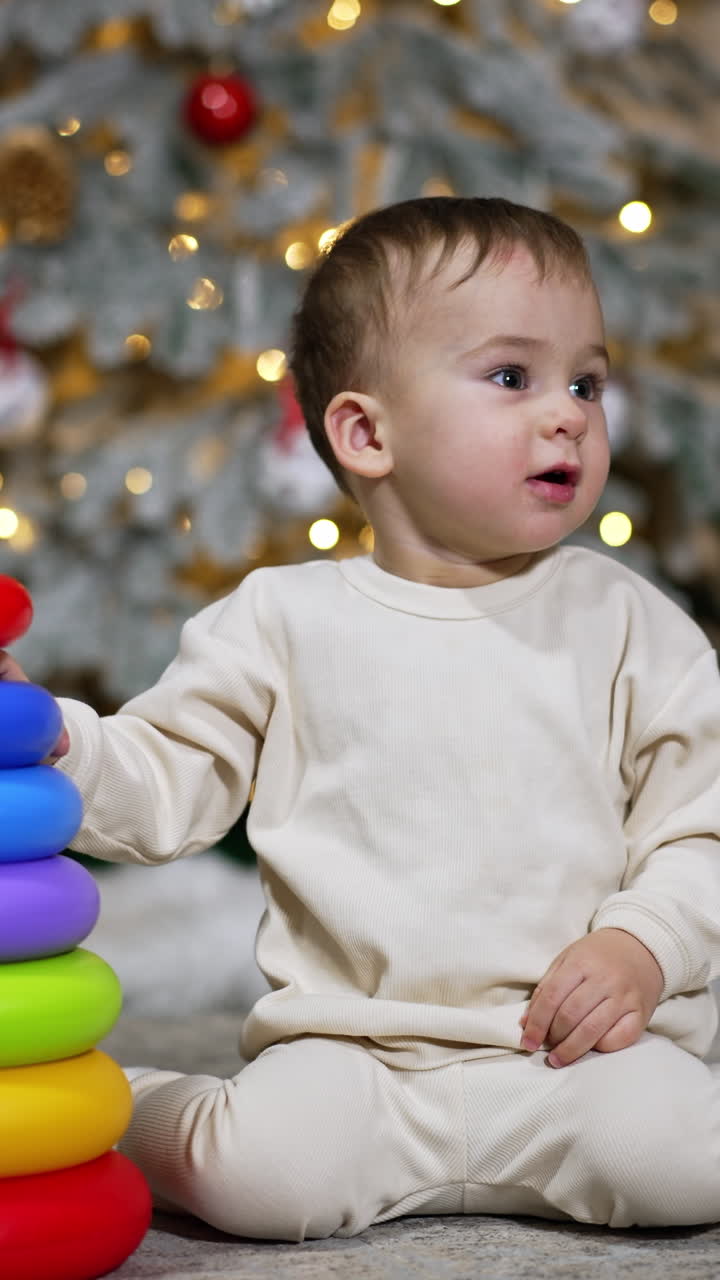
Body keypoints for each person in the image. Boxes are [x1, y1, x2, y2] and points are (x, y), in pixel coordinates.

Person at [4, 195, 720, 1239]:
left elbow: (702, 824)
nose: (567, 410)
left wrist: (642, 945)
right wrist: (55, 733)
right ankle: (126, 1105)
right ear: (366, 432)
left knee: (684, 1162)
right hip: (360, 1055)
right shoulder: (281, 622)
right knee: (266, 1179)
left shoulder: (631, 626)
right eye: (512, 376)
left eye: (587, 380)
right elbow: (161, 778)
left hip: (574, 1054)